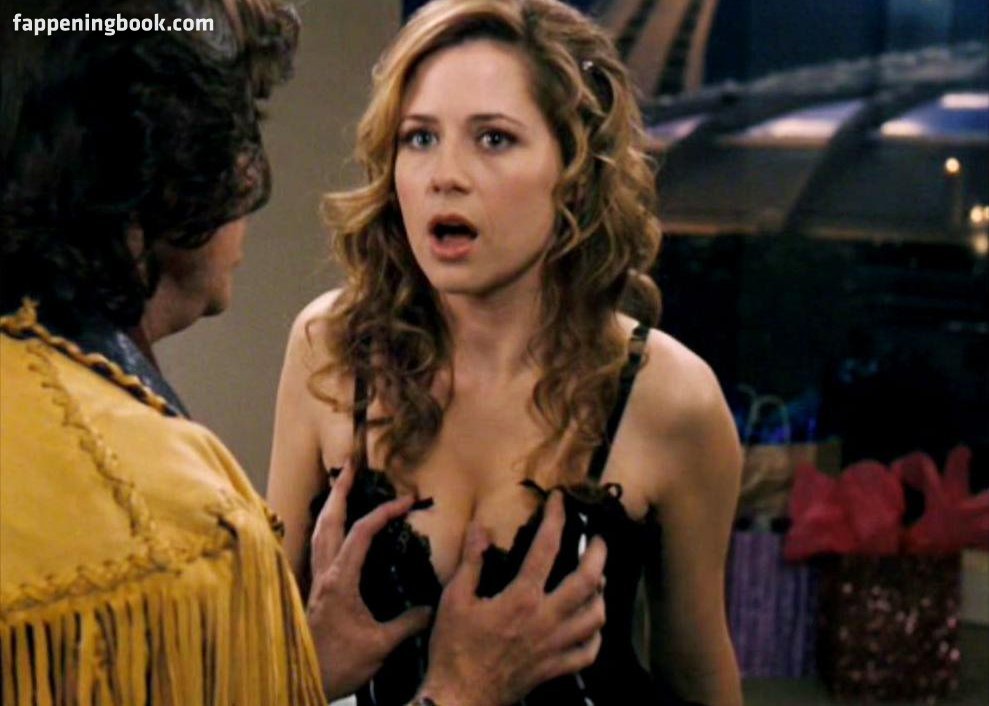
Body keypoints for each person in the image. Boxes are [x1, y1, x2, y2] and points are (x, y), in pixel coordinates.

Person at [0, 1, 607, 704]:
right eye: (242, 130)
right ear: (169, 167)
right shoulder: (171, 520)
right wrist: (461, 689)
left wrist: (299, 670)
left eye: (494, 139)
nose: (248, 175)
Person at [267, 0, 743, 704]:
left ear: (576, 169)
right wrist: (310, 666)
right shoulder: (332, 351)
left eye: (493, 139)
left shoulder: (669, 398)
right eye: (419, 138)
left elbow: (699, 677)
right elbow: (256, 653)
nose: (444, 175)